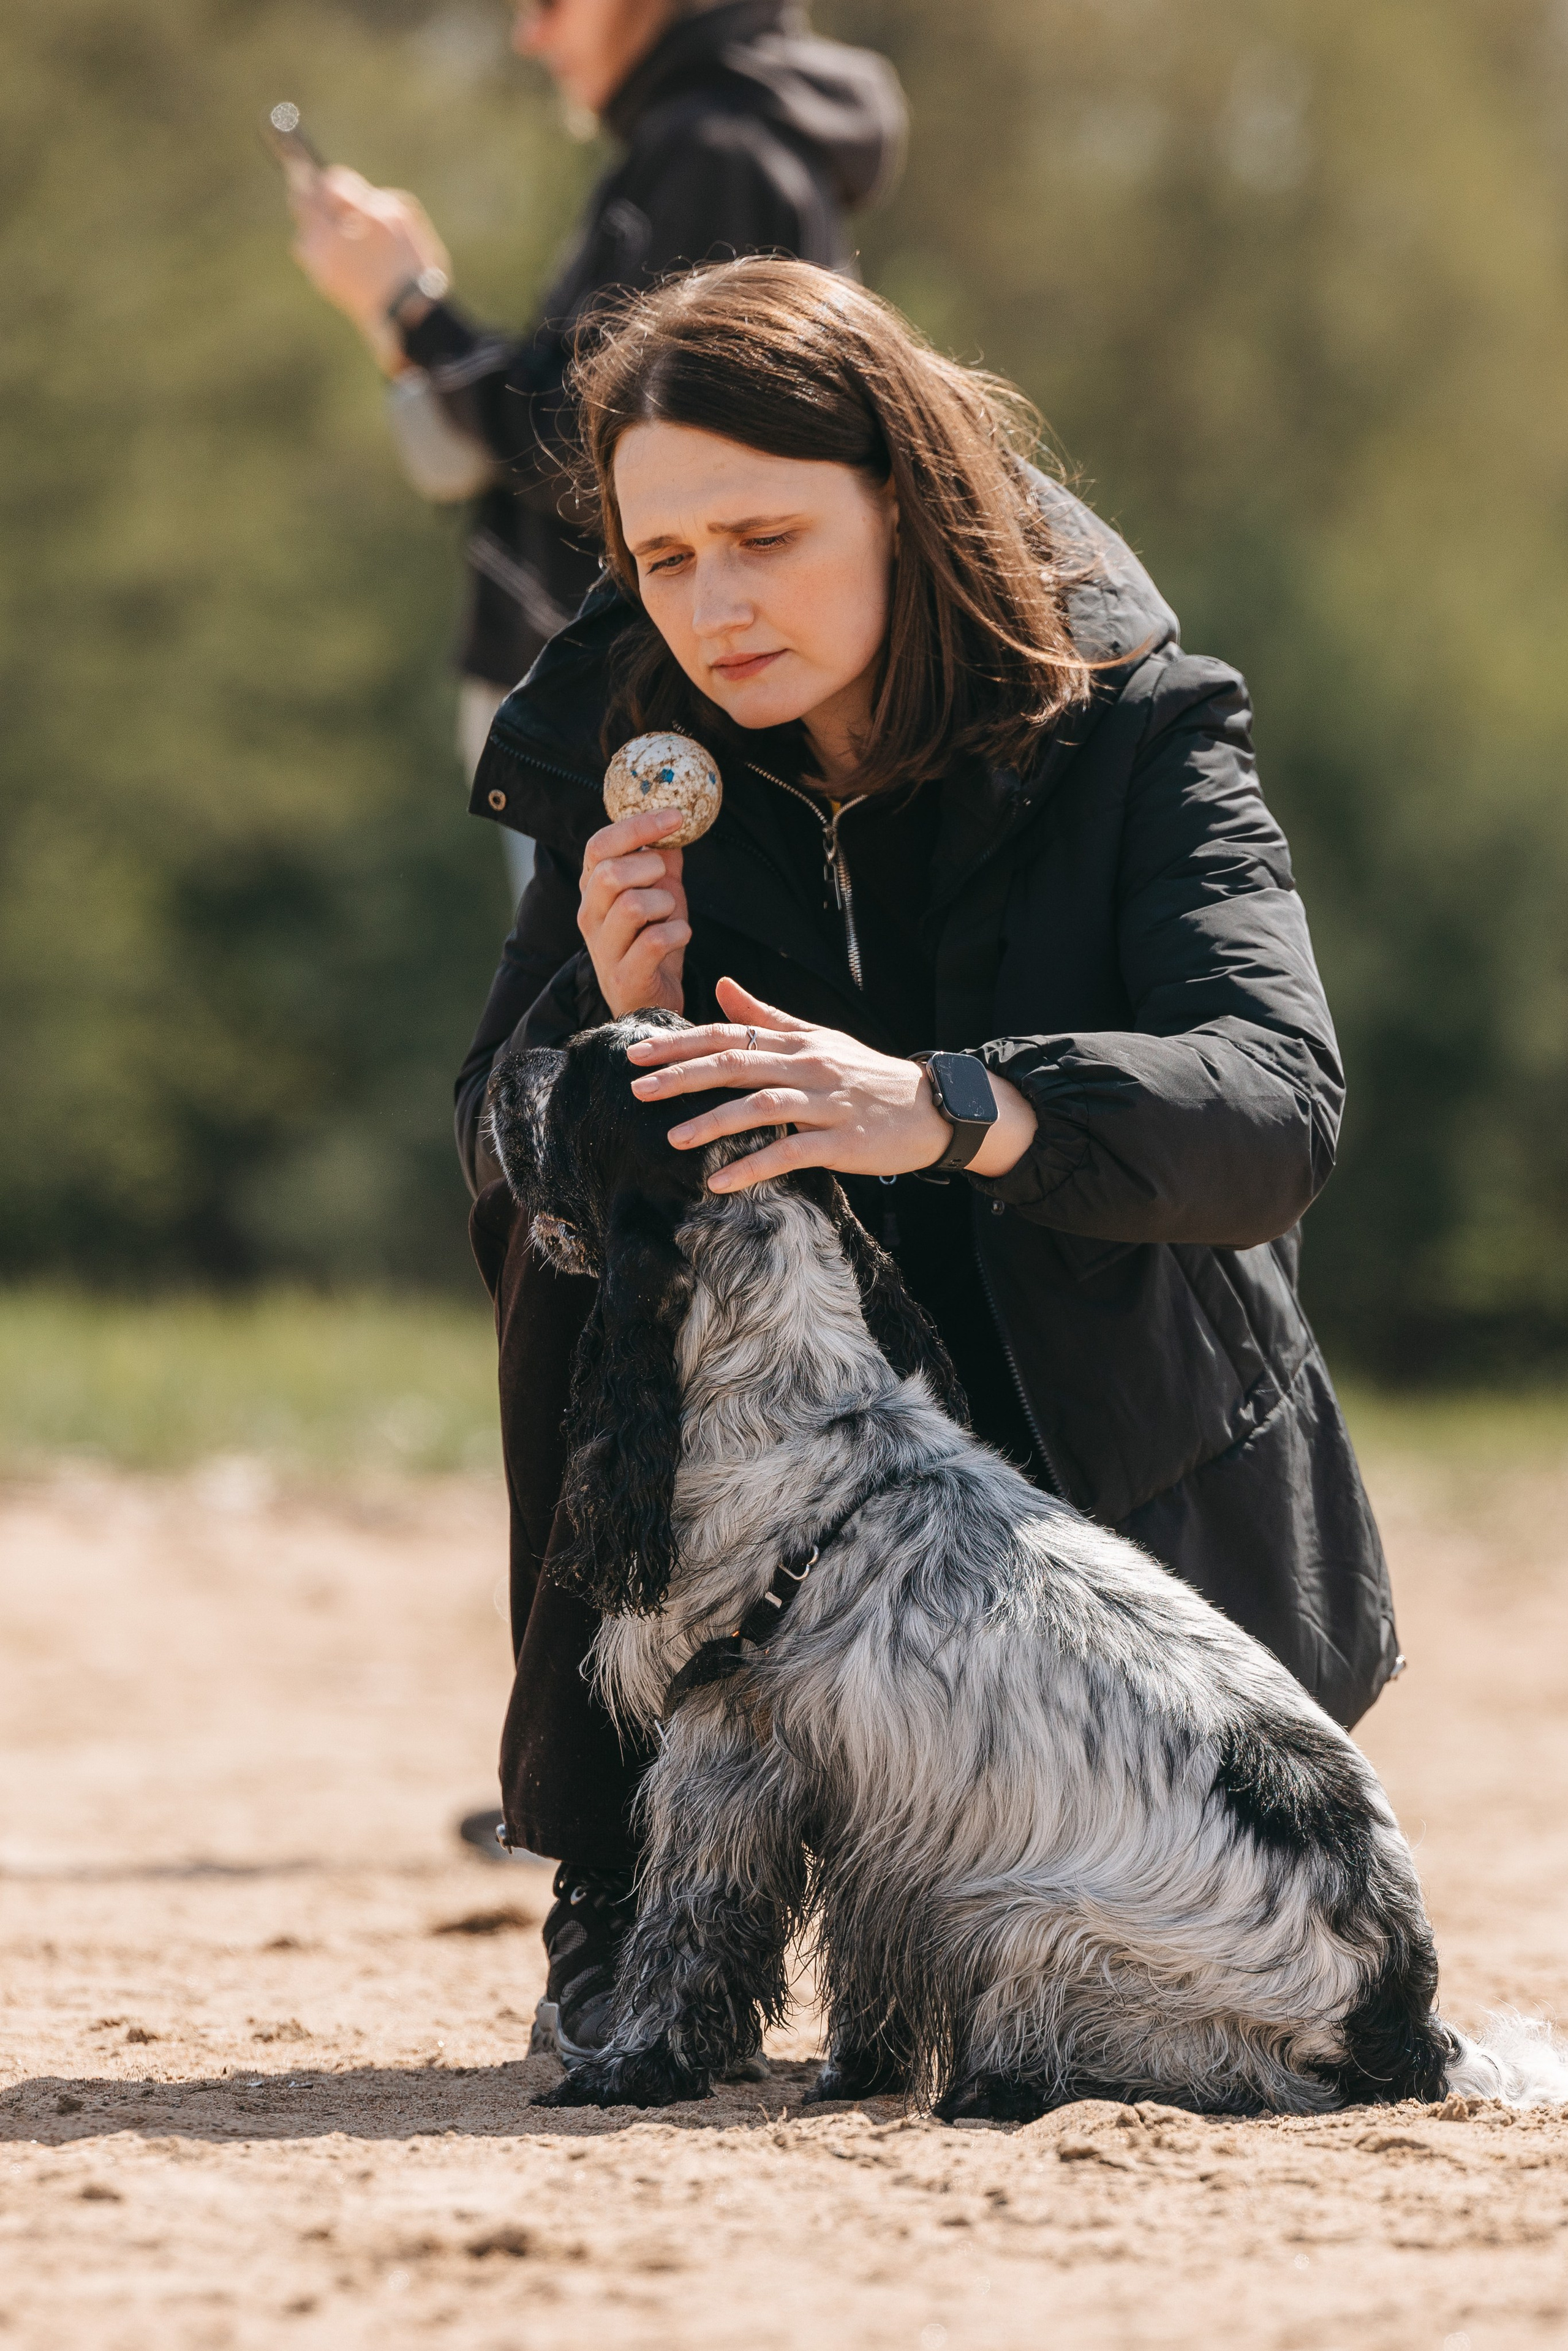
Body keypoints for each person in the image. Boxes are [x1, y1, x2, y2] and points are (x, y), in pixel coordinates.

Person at [457, 257, 1400, 2059]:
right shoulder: (623, 749)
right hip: (774, 1501)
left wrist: (952, 1103)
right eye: (666, 557)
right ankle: (625, 1855)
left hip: (1105, 1513)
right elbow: (492, 1152)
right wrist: (613, 1011)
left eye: (767, 535)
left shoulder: (1143, 726)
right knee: (593, 1185)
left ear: (904, 498)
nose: (714, 605)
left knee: (1053, 2009)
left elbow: (1278, 1102)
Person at [288, 0, 907, 902]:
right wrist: (410, 324)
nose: (526, 36)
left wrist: (411, 308)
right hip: (625, 705)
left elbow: (598, 455)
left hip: (638, 715)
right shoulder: (700, 143)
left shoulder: (716, 153)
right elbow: (590, 423)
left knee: (625, 1029)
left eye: (548, 4)